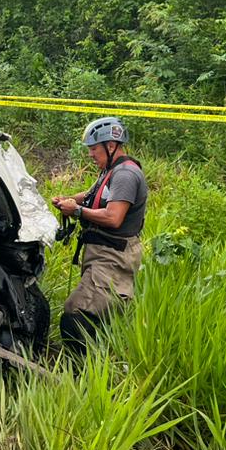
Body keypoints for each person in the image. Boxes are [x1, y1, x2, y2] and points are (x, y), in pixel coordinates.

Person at [51, 116, 147, 352]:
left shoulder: (125, 175)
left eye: (94, 149)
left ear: (111, 146)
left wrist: (77, 211)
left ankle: (84, 371)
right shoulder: (111, 170)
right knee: (93, 312)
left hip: (112, 258)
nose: (91, 155)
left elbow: (114, 217)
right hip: (103, 254)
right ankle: (100, 355)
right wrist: (71, 199)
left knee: (76, 315)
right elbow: (95, 194)